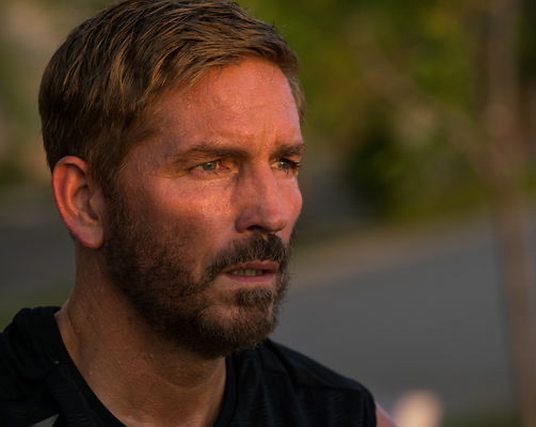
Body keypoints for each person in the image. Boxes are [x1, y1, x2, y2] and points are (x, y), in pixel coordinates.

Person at [0, 1, 396, 426]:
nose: (272, 213)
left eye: (284, 163)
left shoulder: (338, 415)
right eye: (212, 166)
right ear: (84, 202)